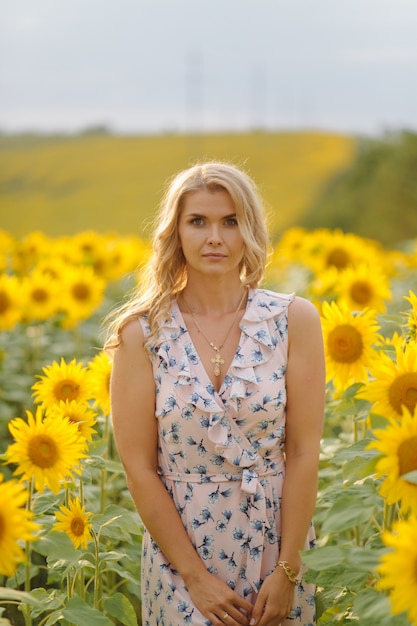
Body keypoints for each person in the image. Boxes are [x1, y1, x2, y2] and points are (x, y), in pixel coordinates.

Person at [105, 162, 326, 626]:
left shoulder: (294, 320)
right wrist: (194, 577)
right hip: (179, 559)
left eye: (230, 221)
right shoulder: (141, 334)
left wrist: (288, 569)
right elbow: (139, 468)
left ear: (250, 230)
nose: (215, 238)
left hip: (277, 548)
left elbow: (305, 452)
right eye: (198, 221)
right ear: (176, 233)